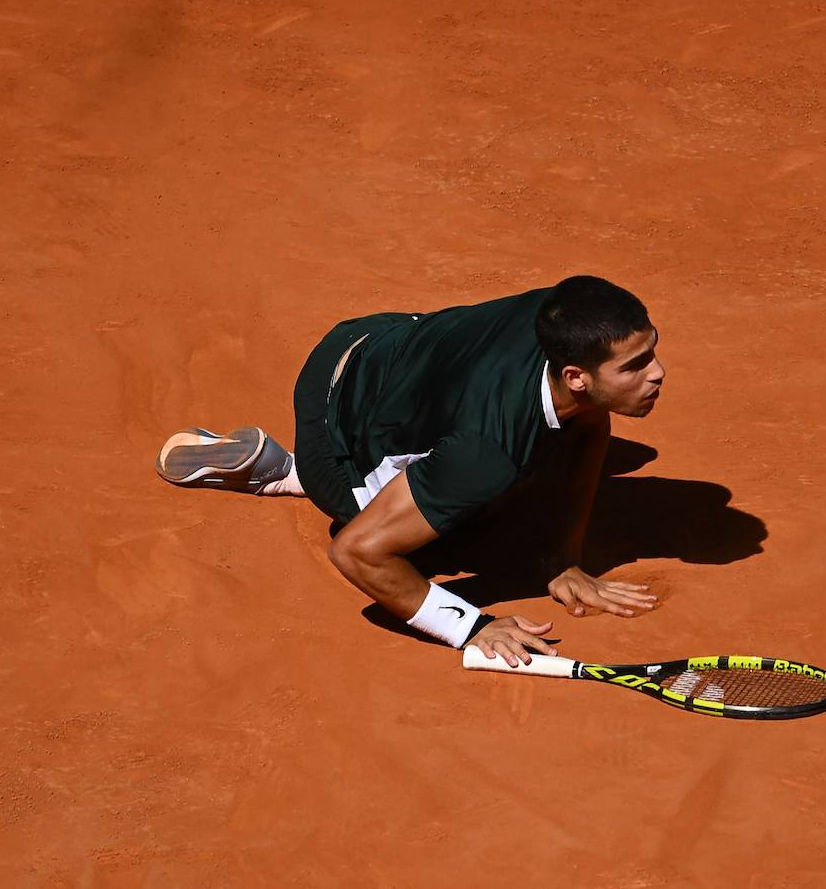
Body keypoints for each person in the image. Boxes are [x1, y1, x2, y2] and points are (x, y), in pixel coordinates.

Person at [155, 275, 665, 665]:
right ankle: (286, 471)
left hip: (382, 339)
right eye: (635, 366)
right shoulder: (484, 451)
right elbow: (357, 553)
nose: (657, 372)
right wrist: (471, 627)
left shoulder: (569, 318)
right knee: (461, 516)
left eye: (651, 352)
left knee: (523, 454)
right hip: (334, 415)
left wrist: (561, 558)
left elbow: (590, 417)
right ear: (574, 376)